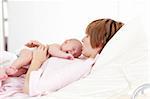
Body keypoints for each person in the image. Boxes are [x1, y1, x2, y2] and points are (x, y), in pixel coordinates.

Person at [23, 18, 124, 95]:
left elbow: (31, 89)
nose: (83, 39)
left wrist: (36, 61)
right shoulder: (82, 59)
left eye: (88, 36)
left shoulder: (82, 67)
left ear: (100, 42)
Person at [0, 38, 82, 81]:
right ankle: (12, 67)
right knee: (27, 56)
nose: (73, 53)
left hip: (28, 65)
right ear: (66, 42)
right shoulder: (56, 47)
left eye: (75, 54)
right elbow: (52, 51)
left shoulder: (60, 57)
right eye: (73, 49)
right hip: (27, 53)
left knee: (21, 72)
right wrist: (65, 55)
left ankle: (5, 73)